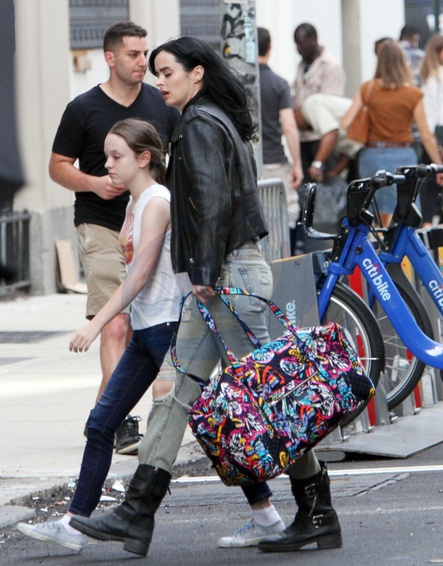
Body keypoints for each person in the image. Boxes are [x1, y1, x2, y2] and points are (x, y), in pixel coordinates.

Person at [68, 36, 342, 558]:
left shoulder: (199, 124)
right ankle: (137, 513)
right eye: (157, 73)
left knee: (264, 398)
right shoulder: (210, 120)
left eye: (167, 72)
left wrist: (203, 269)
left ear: (197, 73)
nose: (159, 82)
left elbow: (212, 200)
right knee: (183, 393)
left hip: (227, 278)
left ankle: (318, 510)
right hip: (227, 278)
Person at [17, 118, 190, 553]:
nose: (107, 164)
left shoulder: (157, 202)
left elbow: (139, 275)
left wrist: (95, 324)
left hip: (168, 329)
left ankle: (266, 510)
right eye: (107, 156)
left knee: (206, 427)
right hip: (147, 331)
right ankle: (74, 525)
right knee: (101, 424)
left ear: (144, 158)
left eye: (116, 156)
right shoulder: (135, 203)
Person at [49, 21, 179, 454]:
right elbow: (57, 167)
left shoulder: (159, 102)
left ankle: (103, 418)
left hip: (151, 223)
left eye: (145, 53)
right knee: (117, 321)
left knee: (148, 322)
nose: (143, 62)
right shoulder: (83, 108)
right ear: (109, 58)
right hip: (101, 223)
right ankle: (119, 422)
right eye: (133, 54)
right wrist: (94, 183)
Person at [342, 39, 443, 228]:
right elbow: (426, 135)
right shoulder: (413, 94)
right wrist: (438, 165)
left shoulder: (368, 89)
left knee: (376, 212)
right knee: (405, 211)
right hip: (402, 156)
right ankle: (396, 246)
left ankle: (380, 243)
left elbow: (345, 122)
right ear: (402, 61)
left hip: (371, 156)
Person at [292, 22, 346, 253]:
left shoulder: (330, 65)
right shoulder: (302, 65)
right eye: (296, 45)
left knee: (326, 196)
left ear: (313, 40)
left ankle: (327, 245)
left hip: (322, 138)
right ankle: (311, 243)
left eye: (302, 44)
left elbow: (329, 110)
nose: (299, 49)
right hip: (304, 137)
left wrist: (319, 161)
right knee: (307, 195)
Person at [257, 27, 303, 255]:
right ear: (270, 47)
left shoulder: (235, 83)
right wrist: (297, 164)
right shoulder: (278, 84)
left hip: (244, 162)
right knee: (285, 214)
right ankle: (282, 262)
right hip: (274, 161)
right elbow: (289, 126)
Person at [419, 33, 443, 226]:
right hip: (439, 136)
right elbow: (429, 114)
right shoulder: (435, 77)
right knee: (432, 188)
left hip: (440, 134)